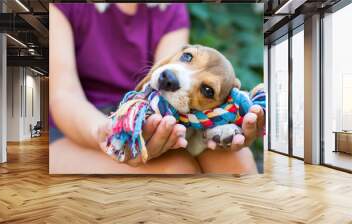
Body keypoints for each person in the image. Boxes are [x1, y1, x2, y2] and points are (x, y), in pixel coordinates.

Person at [49, 3, 264, 174]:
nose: (173, 76)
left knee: (236, 164)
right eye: (187, 57)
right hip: (77, 125)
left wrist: (232, 119)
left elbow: (170, 90)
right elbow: (64, 95)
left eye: (208, 90)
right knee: (178, 170)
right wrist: (105, 131)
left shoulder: (171, 8)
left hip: (154, 115)